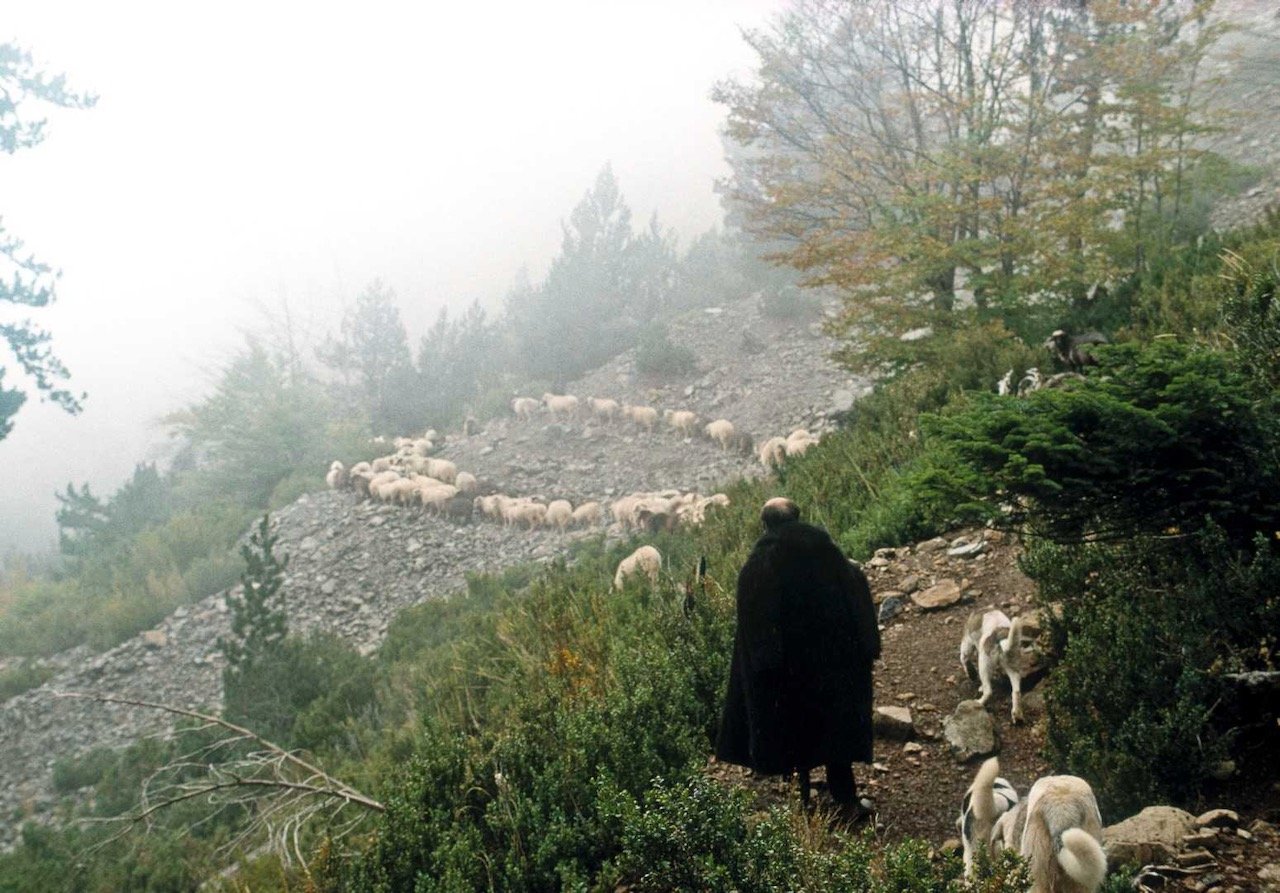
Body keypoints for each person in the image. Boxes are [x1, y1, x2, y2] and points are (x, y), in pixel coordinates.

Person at [715, 497, 880, 819]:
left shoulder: (758, 566)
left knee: (795, 732)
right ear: (797, 516)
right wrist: (865, 647)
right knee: (835, 731)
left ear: (766, 524)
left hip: (786, 674)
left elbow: (752, 626)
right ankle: (845, 800)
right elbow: (856, 589)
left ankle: (802, 802)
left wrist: (764, 669)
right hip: (833, 666)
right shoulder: (827, 552)